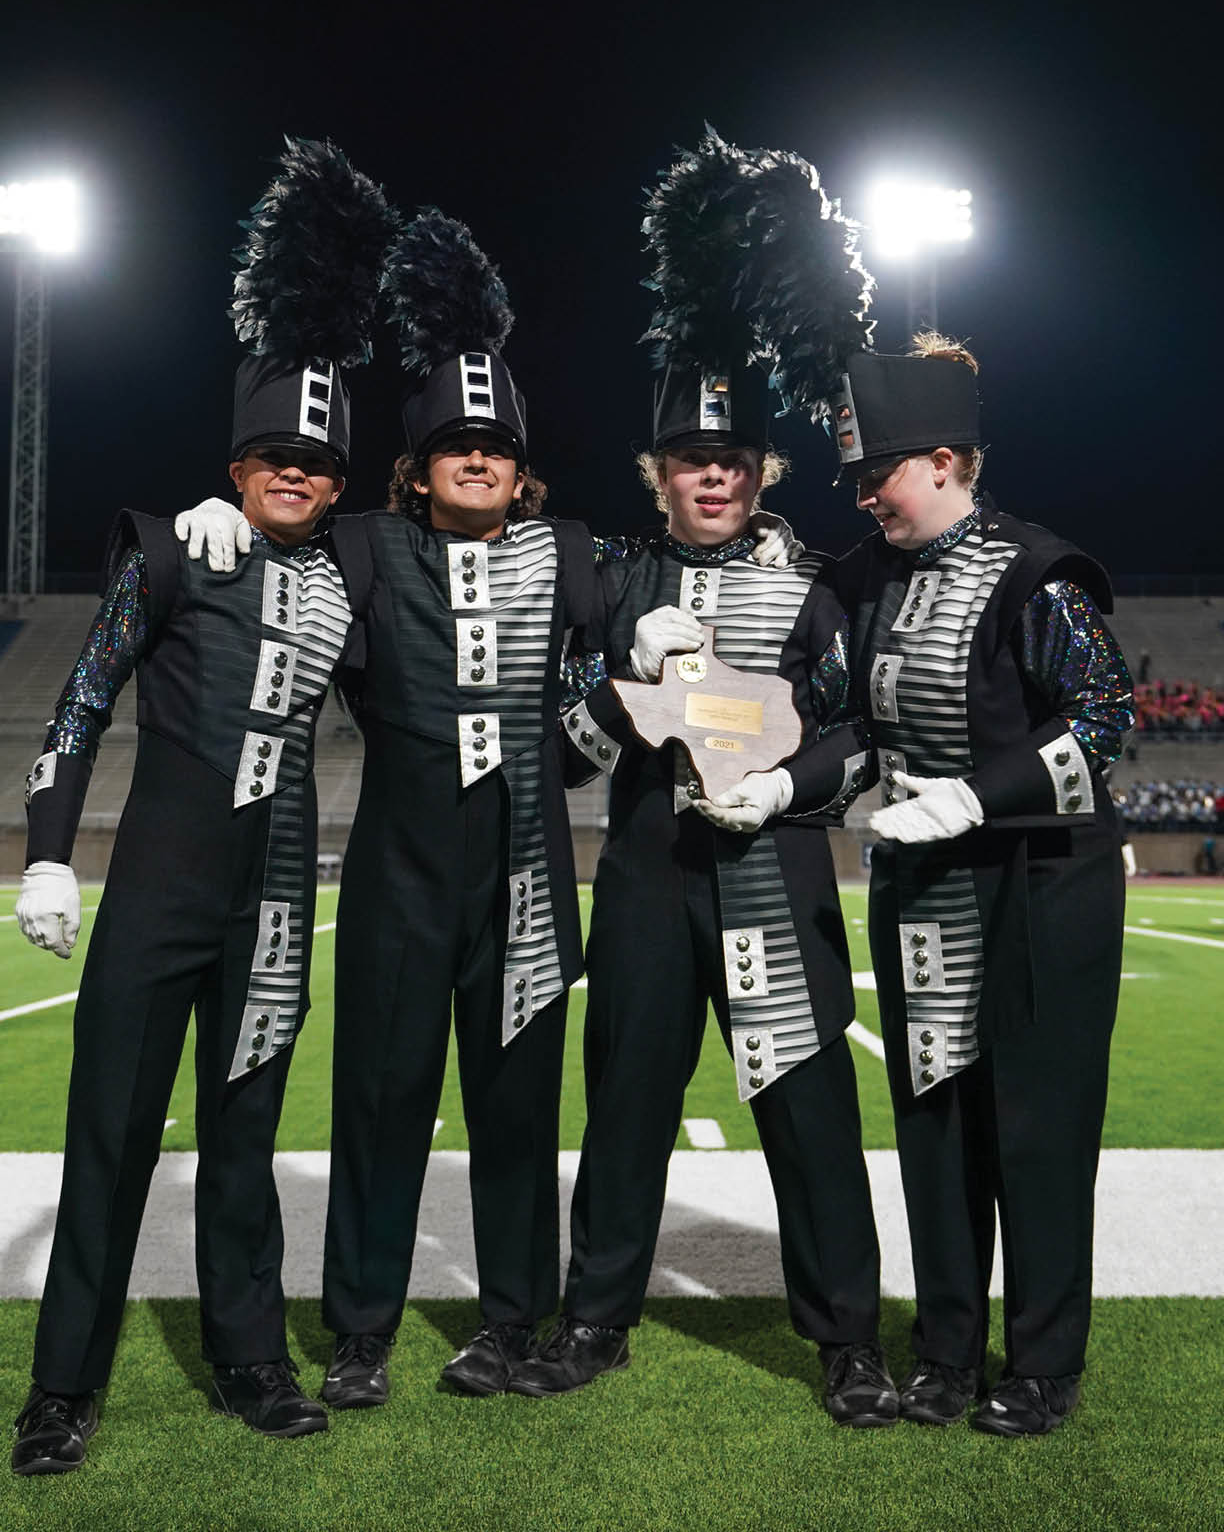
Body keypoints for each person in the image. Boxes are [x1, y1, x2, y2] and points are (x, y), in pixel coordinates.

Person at [177, 208, 798, 1407]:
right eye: (454, 444)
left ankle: (511, 1323)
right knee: (378, 1104)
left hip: (526, 881)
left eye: (496, 446)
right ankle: (360, 1330)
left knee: (516, 1115)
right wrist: (223, 524)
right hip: (397, 880)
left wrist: (751, 556)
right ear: (416, 467)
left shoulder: (574, 553)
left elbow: (663, 611)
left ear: (523, 468)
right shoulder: (361, 546)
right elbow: (278, 562)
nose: (476, 459)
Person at [9, 139, 396, 1474]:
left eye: (316, 462)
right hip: (161, 885)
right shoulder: (173, 551)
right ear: (237, 463)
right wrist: (46, 855)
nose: (293, 473)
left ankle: (251, 1360)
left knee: (246, 1136)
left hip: (277, 895)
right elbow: (81, 703)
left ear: (340, 481)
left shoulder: (352, 574)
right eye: (271, 454)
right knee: (110, 1136)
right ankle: (63, 1388)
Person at [509, 133, 897, 1426]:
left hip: (773, 873)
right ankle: (595, 1317)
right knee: (625, 1103)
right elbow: (562, 747)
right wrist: (619, 674)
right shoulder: (614, 582)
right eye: (690, 459)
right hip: (645, 879)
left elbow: (861, 737)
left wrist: (788, 790)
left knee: (809, 1107)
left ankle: (848, 1339)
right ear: (660, 474)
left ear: (761, 471)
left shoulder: (821, 588)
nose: (713, 474)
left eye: (732, 459)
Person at [828, 333, 1134, 1436]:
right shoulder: (859, 579)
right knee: (936, 1123)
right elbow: (841, 722)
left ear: (948, 461)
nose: (866, 497)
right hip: (922, 883)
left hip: (1045, 885)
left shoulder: (1036, 571)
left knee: (1039, 1130)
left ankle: (1044, 1363)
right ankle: (946, 1349)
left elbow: (1102, 720)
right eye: (858, 479)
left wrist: (973, 795)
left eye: (882, 474)